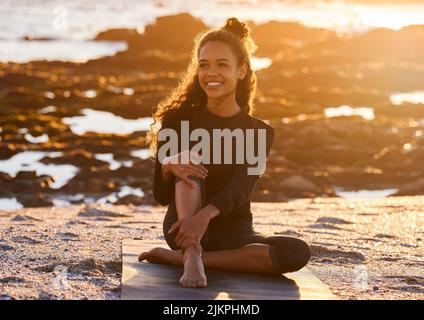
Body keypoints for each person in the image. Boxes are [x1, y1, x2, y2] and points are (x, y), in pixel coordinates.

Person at [139, 17, 311, 288]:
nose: (211, 73)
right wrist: (167, 166)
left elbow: (241, 188)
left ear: (241, 71)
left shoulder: (259, 133)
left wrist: (203, 218)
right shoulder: (177, 121)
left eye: (222, 64)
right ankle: (191, 253)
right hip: (182, 227)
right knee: (187, 160)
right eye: (204, 65)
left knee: (296, 252)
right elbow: (161, 196)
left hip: (234, 233)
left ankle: (181, 259)